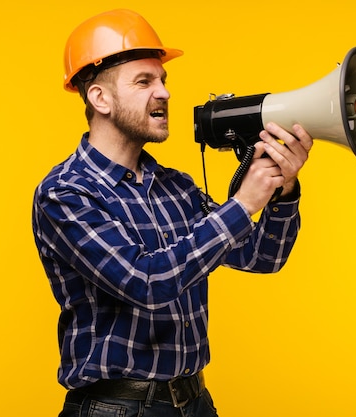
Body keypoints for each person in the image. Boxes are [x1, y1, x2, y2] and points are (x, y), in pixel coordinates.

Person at [32, 9, 313, 416]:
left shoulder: (175, 186)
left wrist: (282, 188)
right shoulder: (65, 193)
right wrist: (245, 203)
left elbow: (262, 257)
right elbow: (145, 282)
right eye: (144, 81)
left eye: (163, 80)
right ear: (100, 98)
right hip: (117, 407)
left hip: (194, 402)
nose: (163, 92)